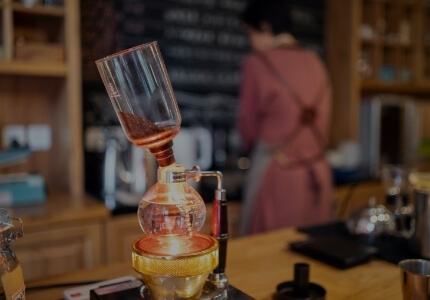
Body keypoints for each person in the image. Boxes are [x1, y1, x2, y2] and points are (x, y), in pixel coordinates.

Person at [237, 0, 333, 235]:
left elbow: (246, 126)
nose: (250, 41)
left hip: (277, 175)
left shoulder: (257, 63)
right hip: (319, 176)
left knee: (268, 259)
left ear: (265, 27)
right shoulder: (316, 61)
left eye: (250, 32)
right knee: (315, 256)